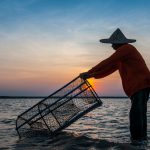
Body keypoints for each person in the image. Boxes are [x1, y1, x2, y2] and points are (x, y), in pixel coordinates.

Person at [80, 28, 150, 145]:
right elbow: (108, 69)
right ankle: (141, 142)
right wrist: (91, 75)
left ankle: (137, 142)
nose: (112, 46)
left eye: (113, 43)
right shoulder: (122, 57)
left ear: (118, 43)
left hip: (141, 84)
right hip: (139, 87)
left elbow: (108, 61)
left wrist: (89, 71)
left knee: (136, 114)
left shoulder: (126, 49)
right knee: (139, 114)